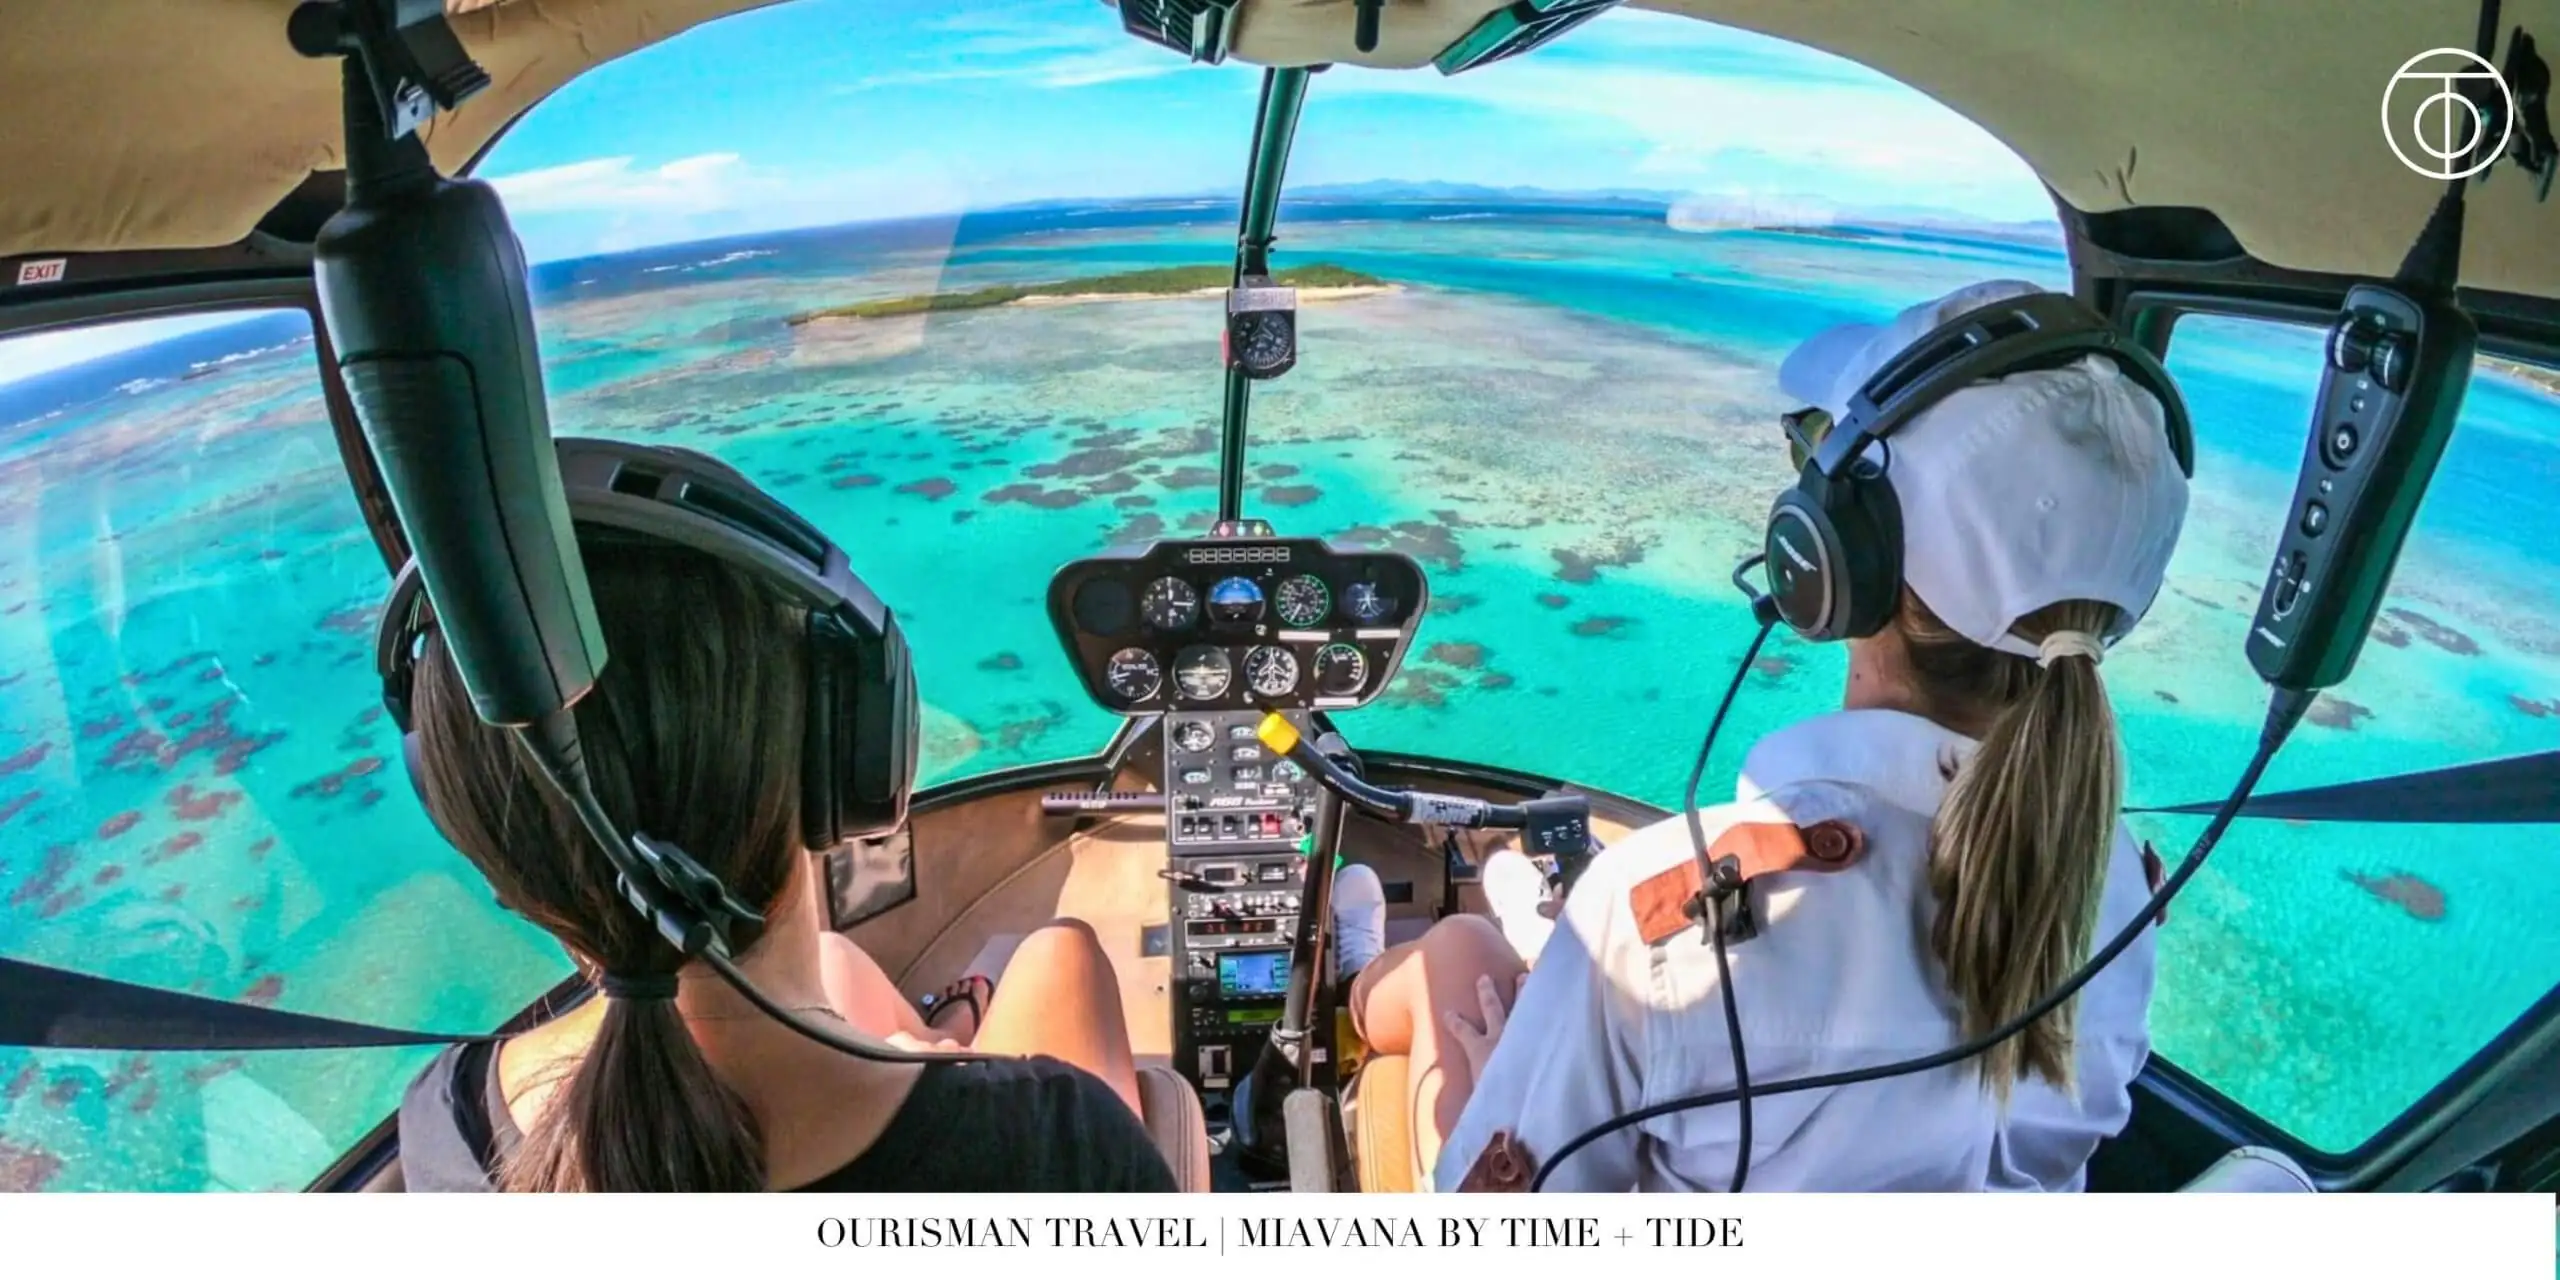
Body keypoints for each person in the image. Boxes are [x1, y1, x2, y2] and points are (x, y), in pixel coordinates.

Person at [1352, 279, 2189, 1192]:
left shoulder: (1658, 915)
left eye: (1815, 453)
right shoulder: (2117, 889)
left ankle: (1358, 972)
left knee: (1459, 958)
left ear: (1833, 556)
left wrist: (1499, 1084)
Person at [392, 471, 1175, 1193]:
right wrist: (936, 1075)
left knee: (838, 963)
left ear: (478, 830)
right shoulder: (1059, 1145)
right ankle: (943, 1041)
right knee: (1061, 953)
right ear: (847, 764)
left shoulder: (448, 1116)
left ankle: (945, 1028)